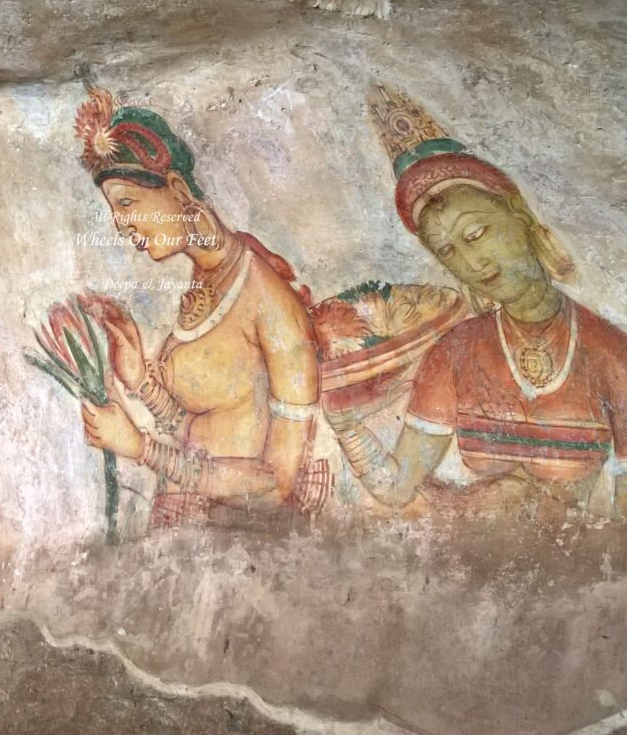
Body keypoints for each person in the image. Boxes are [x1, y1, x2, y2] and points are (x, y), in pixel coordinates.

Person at [326, 85, 627, 518]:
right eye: (448, 251)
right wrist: (347, 425)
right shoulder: (454, 353)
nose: (471, 261)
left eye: (475, 234)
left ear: (519, 218)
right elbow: (396, 487)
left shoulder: (611, 354)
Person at [73, 82, 331, 528]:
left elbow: (276, 486)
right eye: (114, 210)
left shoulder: (271, 305)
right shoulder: (208, 278)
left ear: (176, 188)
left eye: (127, 202)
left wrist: (140, 448)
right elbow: (202, 430)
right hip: (186, 529)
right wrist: (140, 380)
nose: (120, 224)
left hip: (239, 544)